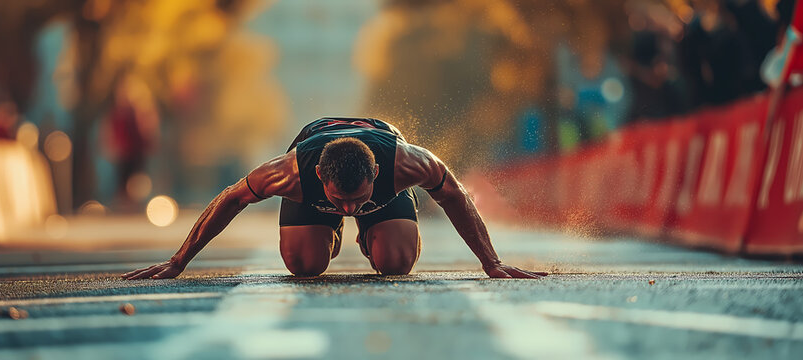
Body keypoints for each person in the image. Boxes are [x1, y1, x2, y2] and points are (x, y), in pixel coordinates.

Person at [123, 117, 547, 279]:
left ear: (378, 175)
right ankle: (329, 234)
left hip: (381, 173)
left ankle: (374, 235)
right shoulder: (288, 172)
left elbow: (455, 196)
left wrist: (491, 262)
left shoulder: (407, 163)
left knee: (396, 263)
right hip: (312, 172)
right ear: (320, 176)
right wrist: (178, 261)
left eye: (358, 202)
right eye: (340, 203)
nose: (349, 208)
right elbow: (229, 200)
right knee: (306, 266)